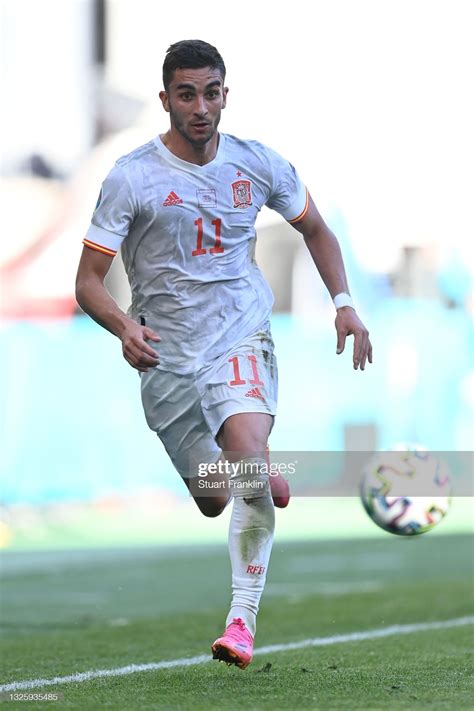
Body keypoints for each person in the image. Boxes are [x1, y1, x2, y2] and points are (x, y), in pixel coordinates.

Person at [75, 39, 372, 670]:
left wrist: (344, 300)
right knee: (214, 496)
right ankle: (254, 471)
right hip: (167, 359)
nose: (201, 107)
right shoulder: (132, 177)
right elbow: (88, 281)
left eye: (211, 92)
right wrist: (124, 325)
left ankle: (241, 621)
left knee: (246, 458)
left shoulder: (257, 164)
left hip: (240, 333)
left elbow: (315, 228)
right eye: (187, 94)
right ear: (166, 100)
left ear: (225, 95)